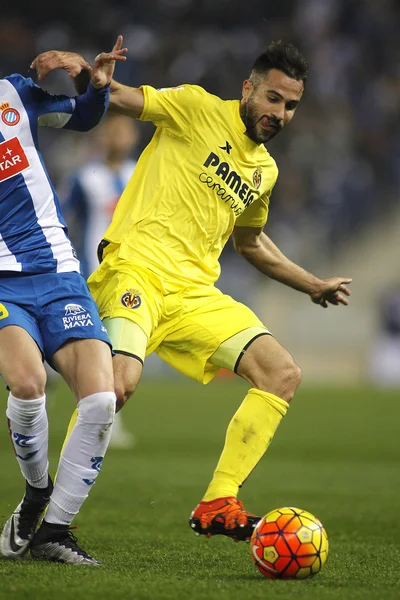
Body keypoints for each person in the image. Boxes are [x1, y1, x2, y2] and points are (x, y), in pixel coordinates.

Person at [35, 39, 352, 542]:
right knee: (115, 387)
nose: (281, 113)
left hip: (193, 295)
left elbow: (251, 243)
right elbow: (119, 97)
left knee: (281, 373)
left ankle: (218, 501)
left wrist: (313, 284)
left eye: (291, 105)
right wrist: (88, 79)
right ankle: (51, 519)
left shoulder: (263, 171)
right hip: (135, 271)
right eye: (272, 98)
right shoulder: (196, 107)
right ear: (248, 88)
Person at [0, 37, 127, 565]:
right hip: (2, 281)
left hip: (59, 270)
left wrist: (89, 82)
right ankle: (36, 491)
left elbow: (83, 117)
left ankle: (53, 532)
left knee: (101, 401)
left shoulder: (14, 94)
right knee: (29, 384)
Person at [63, 113, 139, 448]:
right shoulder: (85, 177)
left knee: (116, 349)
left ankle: (108, 421)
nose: (119, 137)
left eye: (125, 131)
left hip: (131, 275)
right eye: (113, 131)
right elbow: (63, 218)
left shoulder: (141, 173)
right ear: (102, 136)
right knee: (92, 347)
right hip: (90, 275)